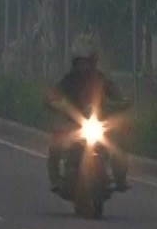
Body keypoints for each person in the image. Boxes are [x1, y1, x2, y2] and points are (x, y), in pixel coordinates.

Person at [45, 37, 131, 193]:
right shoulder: (68, 80)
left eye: (86, 62)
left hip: (97, 122)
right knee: (57, 140)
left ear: (92, 62)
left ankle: (120, 178)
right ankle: (56, 178)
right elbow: (54, 94)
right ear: (75, 63)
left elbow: (116, 95)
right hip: (73, 122)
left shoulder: (101, 79)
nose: (83, 66)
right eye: (80, 62)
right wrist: (52, 102)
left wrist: (121, 102)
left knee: (118, 141)